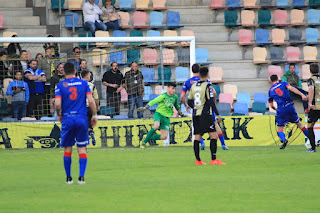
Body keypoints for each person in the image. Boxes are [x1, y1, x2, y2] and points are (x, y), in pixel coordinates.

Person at [55, 62, 97, 184]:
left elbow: (57, 104)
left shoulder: (60, 85)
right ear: (75, 71)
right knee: (81, 148)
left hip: (67, 118)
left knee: (68, 148)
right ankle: (81, 178)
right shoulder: (84, 84)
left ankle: (68, 178)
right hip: (82, 119)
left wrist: (59, 114)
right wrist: (94, 115)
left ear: (63, 72)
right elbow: (91, 101)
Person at [181, 64, 229, 151]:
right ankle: (223, 144)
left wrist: (186, 106)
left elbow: (182, 96)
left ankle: (202, 145)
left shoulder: (188, 82)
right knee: (215, 125)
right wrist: (213, 103)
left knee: (198, 130)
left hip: (196, 108)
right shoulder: (206, 81)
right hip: (207, 109)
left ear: (191, 71)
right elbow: (213, 93)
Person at [187, 67, 226, 165]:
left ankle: (198, 160)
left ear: (199, 74)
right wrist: (217, 114)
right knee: (213, 136)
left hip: (195, 114)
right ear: (207, 75)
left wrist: (195, 107)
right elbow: (211, 101)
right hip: (205, 114)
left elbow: (189, 101)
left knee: (197, 137)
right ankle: (213, 160)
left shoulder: (194, 86)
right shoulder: (208, 86)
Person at [138, 82, 185, 148]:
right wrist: (146, 107)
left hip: (166, 118)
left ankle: (146, 137)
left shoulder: (175, 97)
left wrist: (181, 113)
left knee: (164, 137)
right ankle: (143, 143)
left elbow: (176, 105)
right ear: (168, 88)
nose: (174, 90)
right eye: (172, 88)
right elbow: (154, 101)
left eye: (174, 89)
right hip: (159, 114)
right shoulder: (163, 96)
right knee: (156, 126)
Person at [268, 74, 310, 150]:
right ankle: (312, 139)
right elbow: (292, 89)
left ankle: (284, 140)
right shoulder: (284, 83)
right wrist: (301, 94)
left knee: (280, 128)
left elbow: (271, 105)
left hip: (281, 109)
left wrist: (275, 109)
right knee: (299, 124)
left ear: (270, 81)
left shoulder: (270, 90)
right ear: (278, 79)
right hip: (290, 106)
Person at [81, 70, 99, 146]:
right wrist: (97, 107)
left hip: (80, 108)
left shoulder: (78, 85)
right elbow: (96, 99)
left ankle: (84, 142)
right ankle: (90, 132)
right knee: (89, 124)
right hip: (90, 108)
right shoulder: (92, 85)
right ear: (88, 76)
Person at [306, 63, 320, 152]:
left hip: (315, 107)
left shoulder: (311, 80)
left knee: (310, 126)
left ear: (310, 71)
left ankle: (313, 148)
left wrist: (310, 103)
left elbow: (311, 91)